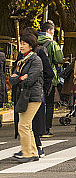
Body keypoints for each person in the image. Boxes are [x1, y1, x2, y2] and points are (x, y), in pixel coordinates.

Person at [10, 32, 44, 163]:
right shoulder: (22, 60)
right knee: (27, 125)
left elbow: (30, 80)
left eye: (24, 44)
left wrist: (19, 78)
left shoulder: (35, 60)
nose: (21, 46)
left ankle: (27, 154)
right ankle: (33, 152)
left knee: (23, 125)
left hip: (33, 96)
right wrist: (20, 78)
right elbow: (12, 80)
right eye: (21, 43)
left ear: (31, 45)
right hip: (24, 96)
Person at [37, 20, 63, 137]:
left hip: (36, 76)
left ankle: (37, 127)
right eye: (53, 30)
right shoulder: (52, 43)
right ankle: (46, 128)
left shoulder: (33, 41)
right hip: (49, 77)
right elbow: (58, 59)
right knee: (49, 104)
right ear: (49, 30)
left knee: (37, 103)